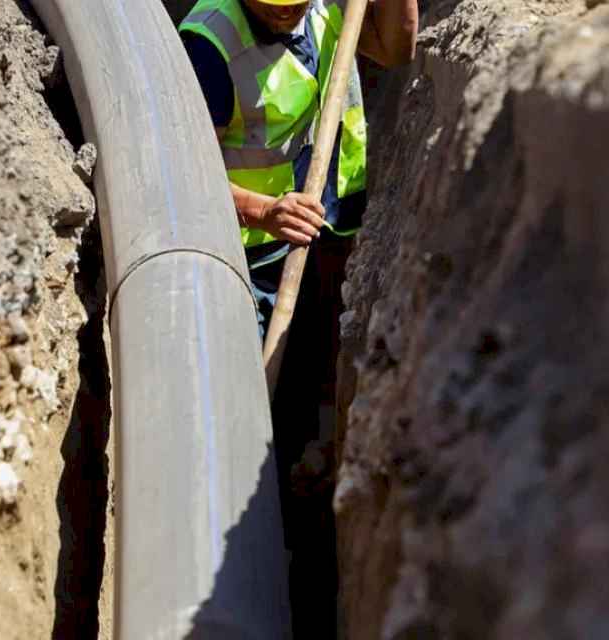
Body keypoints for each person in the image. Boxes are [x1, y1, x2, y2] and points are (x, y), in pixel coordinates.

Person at [179, 0, 417, 633]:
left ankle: (296, 515)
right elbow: (175, 165)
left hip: (327, 239)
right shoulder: (209, 43)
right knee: (248, 415)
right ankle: (246, 553)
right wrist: (263, 211)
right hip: (243, 259)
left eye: (293, 7)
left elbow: (396, 50)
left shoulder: (326, 12)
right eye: (270, 8)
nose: (283, 17)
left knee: (312, 393)